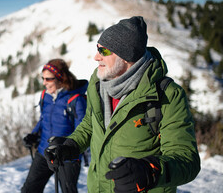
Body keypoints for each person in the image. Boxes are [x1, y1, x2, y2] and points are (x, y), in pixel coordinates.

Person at [44, 16, 200, 193]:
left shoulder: (167, 95)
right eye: (97, 49)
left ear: (126, 56)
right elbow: (90, 124)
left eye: (104, 51)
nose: (96, 57)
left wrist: (150, 171)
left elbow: (187, 159)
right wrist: (71, 145)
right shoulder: (98, 84)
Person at [21, 58, 88, 193]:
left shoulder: (76, 100)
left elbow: (82, 129)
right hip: (44, 151)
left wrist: (69, 149)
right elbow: (43, 119)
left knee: (68, 191)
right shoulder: (45, 95)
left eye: (49, 79)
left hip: (66, 155)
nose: (44, 83)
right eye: (43, 78)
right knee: (29, 189)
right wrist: (34, 135)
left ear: (60, 78)